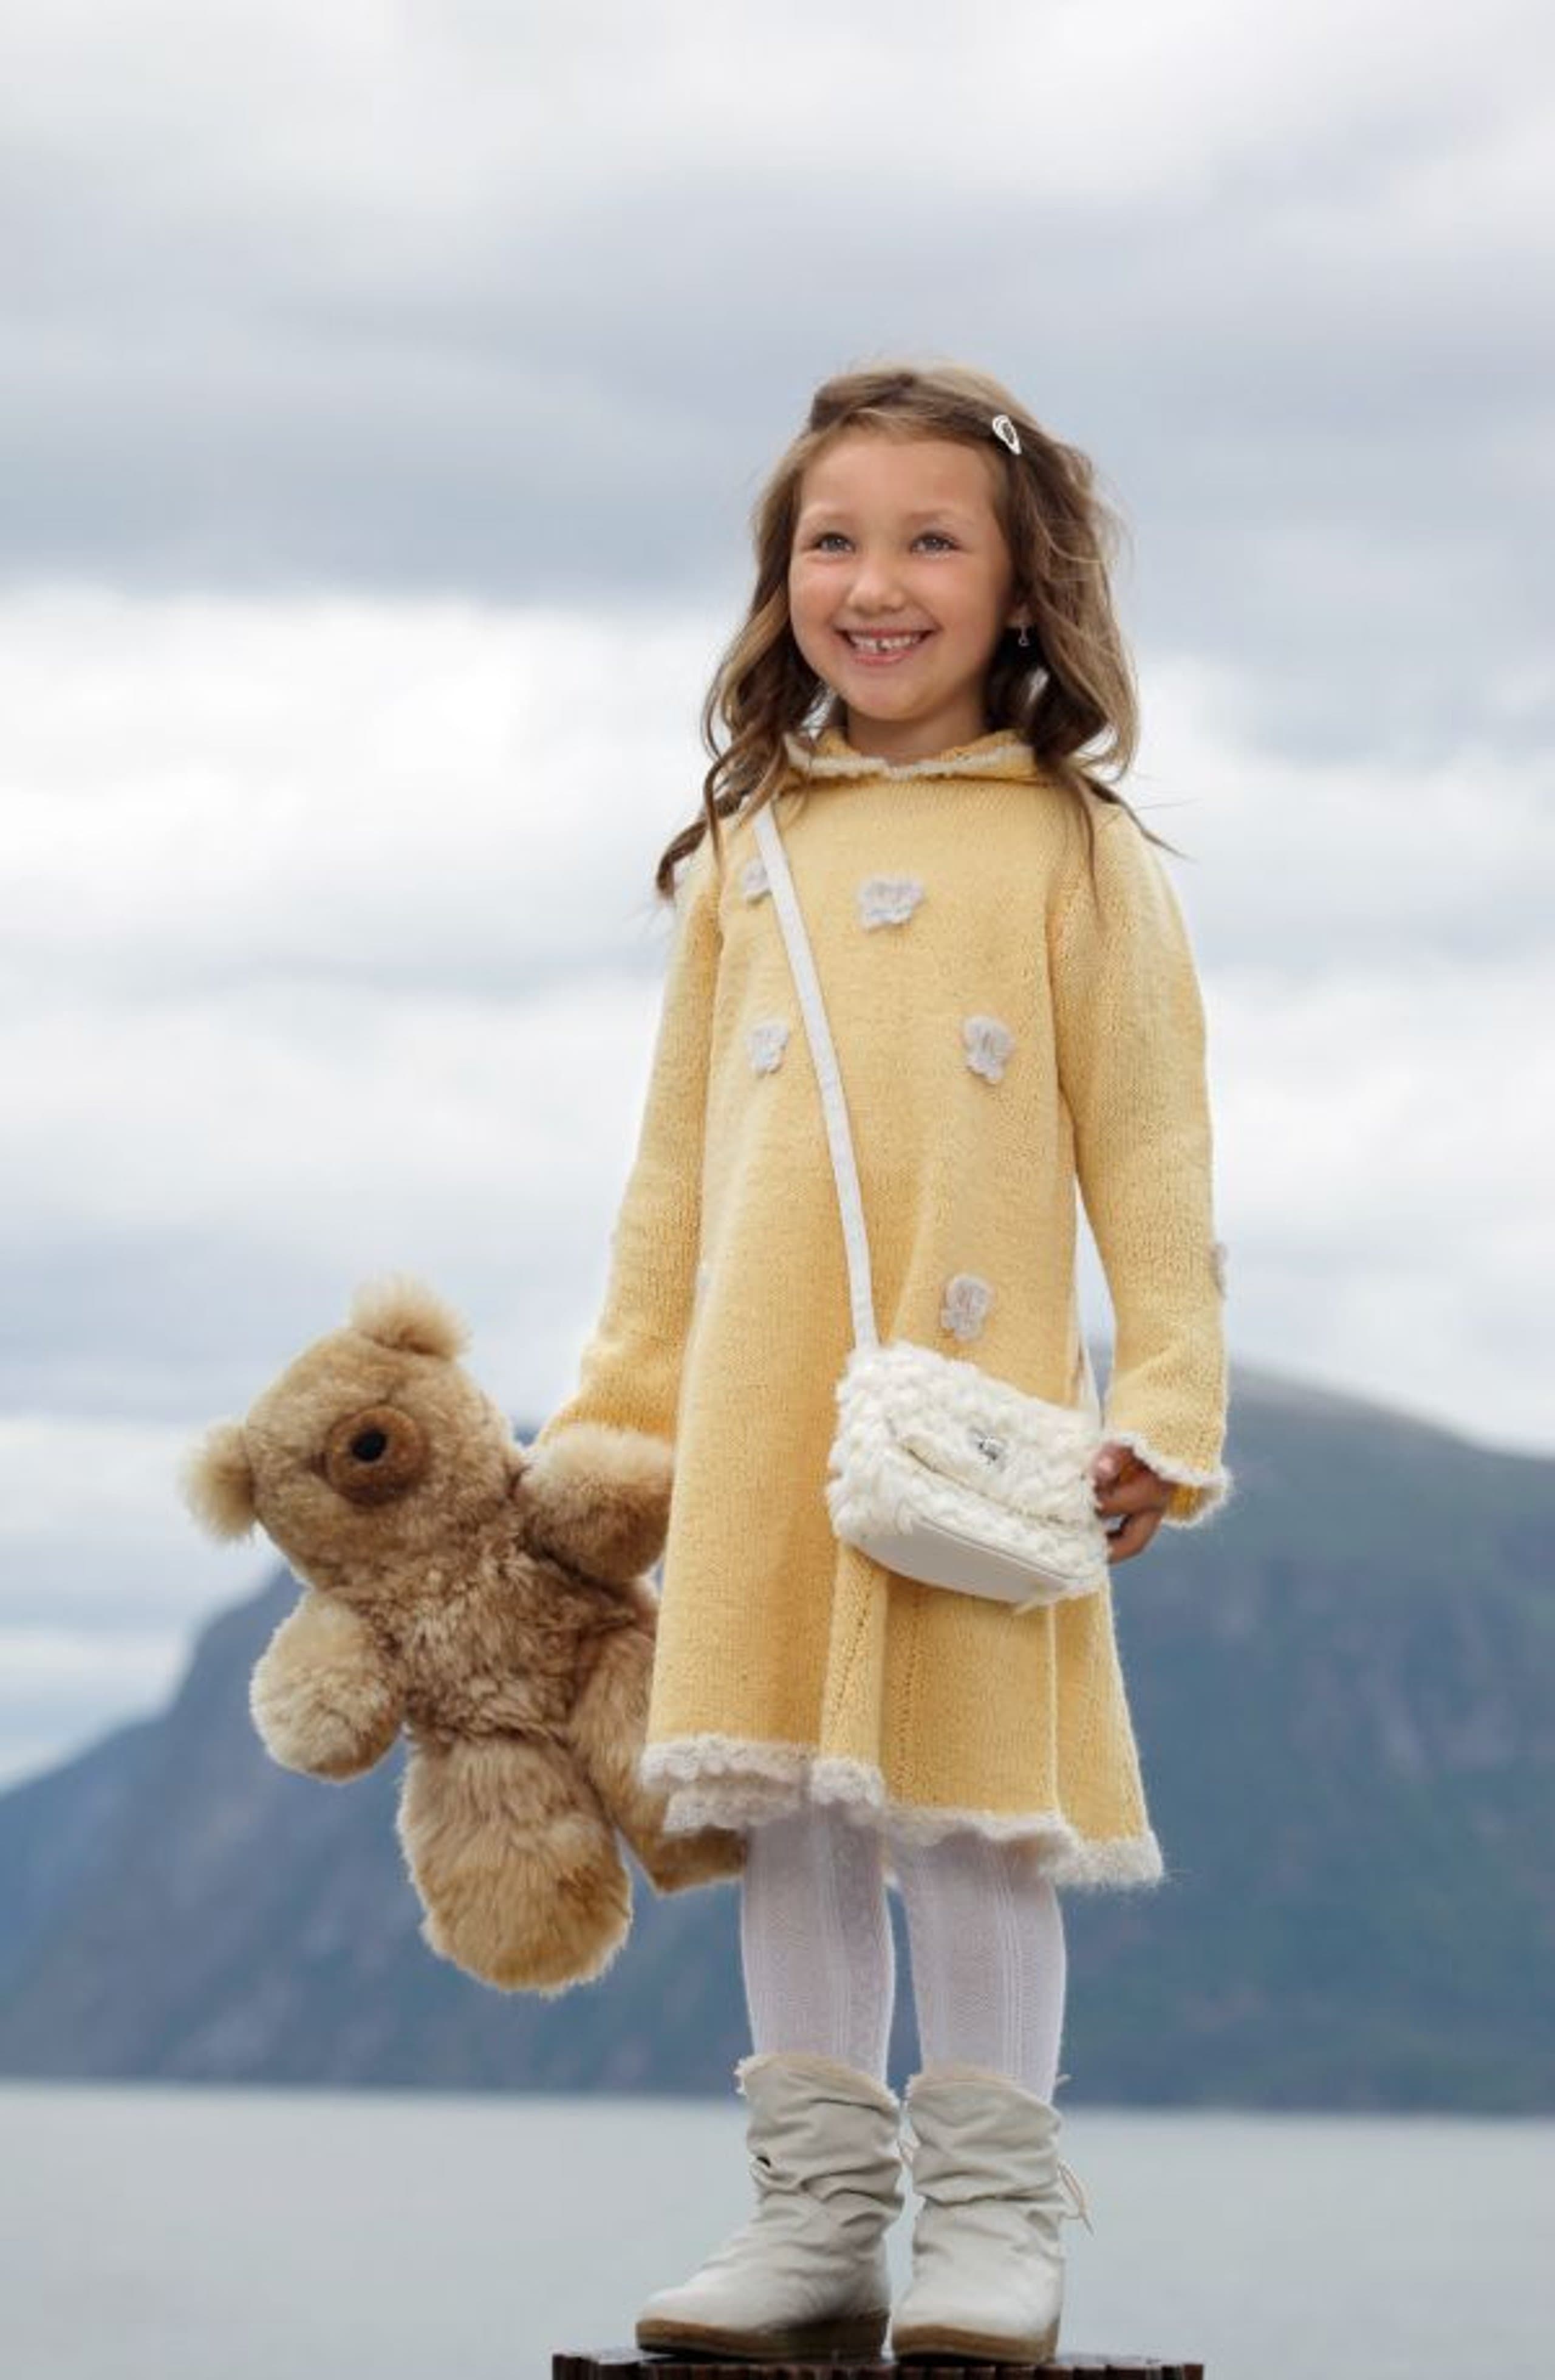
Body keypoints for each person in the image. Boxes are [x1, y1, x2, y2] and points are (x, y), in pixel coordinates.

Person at [532, 360, 1232, 2364]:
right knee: (796, 1814)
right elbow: (673, 1175)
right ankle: (816, 2221)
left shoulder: (1083, 855)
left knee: (974, 1816)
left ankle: (995, 2230)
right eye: (832, 542)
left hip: (977, 1424)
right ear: (784, 582)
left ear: (1021, 588)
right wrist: (619, 1423)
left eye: (933, 540)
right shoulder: (747, 852)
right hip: (765, 1415)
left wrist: (1164, 1411)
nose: (876, 582)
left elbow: (1155, 1155)